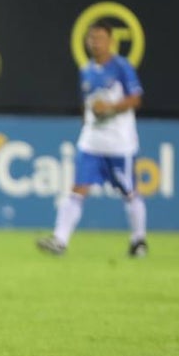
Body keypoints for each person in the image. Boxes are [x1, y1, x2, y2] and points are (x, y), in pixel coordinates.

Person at [37, 21, 147, 258]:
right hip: (91, 142)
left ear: (111, 41)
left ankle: (138, 240)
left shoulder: (121, 67)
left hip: (119, 144)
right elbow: (87, 104)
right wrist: (87, 123)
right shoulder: (86, 70)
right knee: (77, 189)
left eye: (100, 38)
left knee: (129, 192)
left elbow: (136, 99)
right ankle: (60, 240)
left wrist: (110, 107)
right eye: (91, 38)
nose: (95, 43)